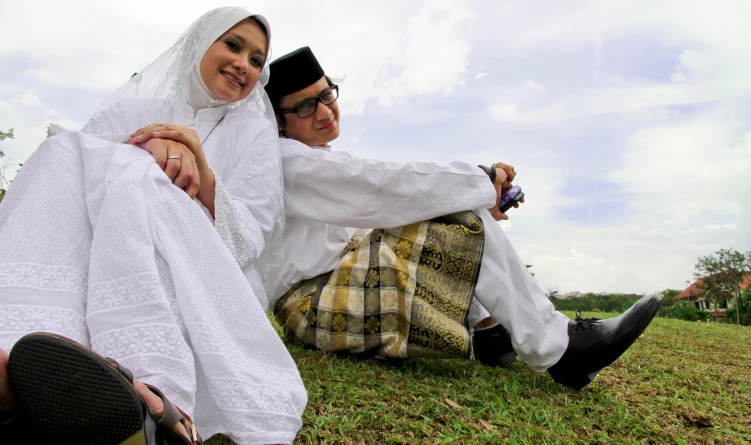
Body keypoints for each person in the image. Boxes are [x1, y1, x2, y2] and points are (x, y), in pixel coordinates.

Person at [0, 7, 307, 445]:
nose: (245, 63)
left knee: (136, 178)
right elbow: (76, 170)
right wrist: (150, 145)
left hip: (203, 267)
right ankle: (4, 350)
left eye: (258, 60)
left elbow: (249, 240)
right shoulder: (133, 108)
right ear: (199, 43)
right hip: (95, 247)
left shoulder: (254, 136)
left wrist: (200, 172)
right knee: (61, 152)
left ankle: (147, 377)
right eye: (234, 45)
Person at [263, 46, 661, 391]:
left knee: (441, 214)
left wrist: (473, 201)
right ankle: (561, 349)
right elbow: (381, 185)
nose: (323, 111)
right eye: (304, 106)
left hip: (337, 292)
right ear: (279, 120)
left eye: (326, 94)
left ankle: (491, 331)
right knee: (445, 208)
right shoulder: (287, 163)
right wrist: (481, 181)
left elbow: (382, 212)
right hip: (314, 307)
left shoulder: (317, 160)